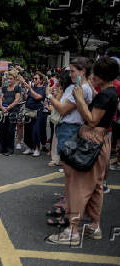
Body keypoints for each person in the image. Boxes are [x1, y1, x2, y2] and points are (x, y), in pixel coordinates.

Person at [46, 57, 119, 245]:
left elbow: (92, 118)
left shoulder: (106, 94)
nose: (92, 76)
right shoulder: (107, 93)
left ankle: (72, 231)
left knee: (79, 186)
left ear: (102, 75)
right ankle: (94, 226)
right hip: (100, 141)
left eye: (95, 73)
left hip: (92, 140)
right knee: (95, 187)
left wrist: (79, 98)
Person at [50, 58, 93, 163]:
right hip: (67, 128)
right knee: (67, 166)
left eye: (72, 71)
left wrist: (49, 96)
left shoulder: (82, 88)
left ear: (82, 71)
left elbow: (63, 109)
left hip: (70, 128)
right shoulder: (78, 87)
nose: (70, 75)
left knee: (68, 166)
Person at [21, 72, 47, 157]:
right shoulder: (32, 88)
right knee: (28, 129)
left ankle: (36, 148)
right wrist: (25, 91)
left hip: (37, 111)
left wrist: (30, 89)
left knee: (36, 130)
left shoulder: (43, 88)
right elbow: (26, 98)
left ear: (41, 80)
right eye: (33, 78)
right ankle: (29, 147)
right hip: (28, 110)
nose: (34, 80)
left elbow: (38, 97)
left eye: (36, 79)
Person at [0, 70, 21, 155]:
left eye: (11, 79)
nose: (9, 80)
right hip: (3, 111)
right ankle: (1, 149)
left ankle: (9, 150)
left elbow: (17, 100)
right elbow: (0, 98)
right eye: (8, 79)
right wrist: (2, 107)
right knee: (1, 129)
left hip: (13, 111)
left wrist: (8, 107)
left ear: (15, 79)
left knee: (10, 130)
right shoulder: (4, 88)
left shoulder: (17, 88)